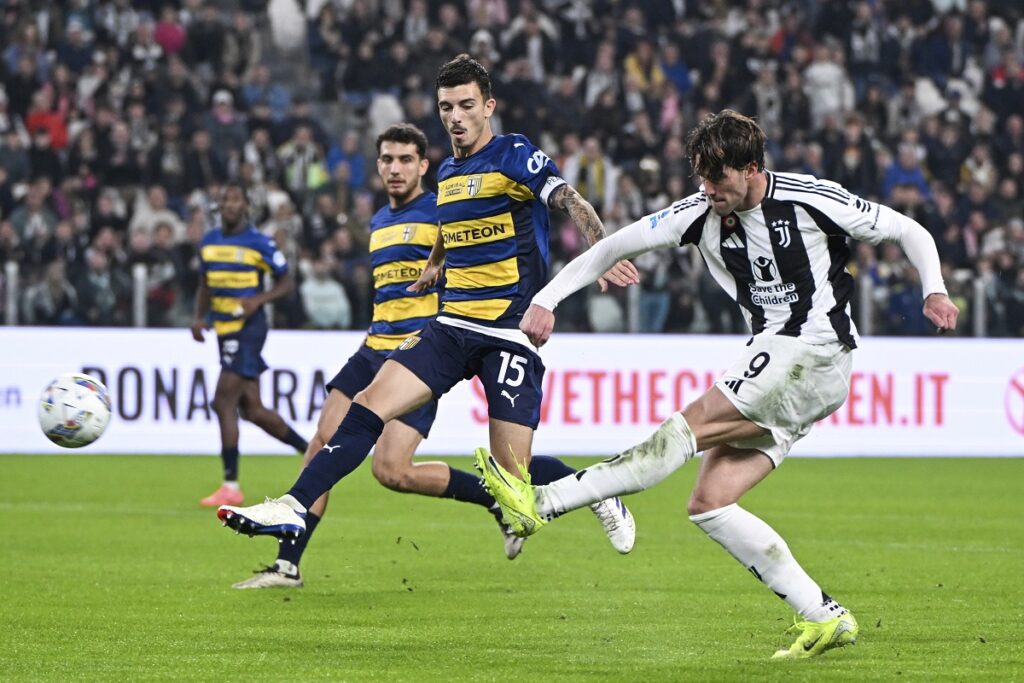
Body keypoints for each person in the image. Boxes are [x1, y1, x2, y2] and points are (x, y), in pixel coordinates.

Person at [478, 110, 960, 659]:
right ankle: (824, 615)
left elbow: (907, 229)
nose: (709, 191)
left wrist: (935, 290)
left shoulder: (811, 198)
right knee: (710, 502)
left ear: (752, 168)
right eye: (701, 178)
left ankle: (543, 502)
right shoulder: (700, 213)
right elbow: (614, 248)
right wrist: (547, 298)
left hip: (812, 349)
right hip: (781, 362)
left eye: (719, 179)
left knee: (680, 432)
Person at [217, 57, 639, 562]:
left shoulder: (513, 154)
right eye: (446, 107)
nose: (455, 117)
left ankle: (597, 489)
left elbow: (571, 201)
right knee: (368, 403)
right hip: (451, 325)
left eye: (466, 105)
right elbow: (449, 223)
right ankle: (294, 503)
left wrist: (604, 251)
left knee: (514, 484)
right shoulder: (448, 170)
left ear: (488, 107)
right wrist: (436, 263)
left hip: (508, 331)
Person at [192, 183, 309, 507]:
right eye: (225, 199)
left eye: (236, 199)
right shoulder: (209, 242)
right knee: (253, 410)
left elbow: (286, 282)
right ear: (219, 206)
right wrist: (199, 318)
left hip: (249, 328)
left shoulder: (260, 243)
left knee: (222, 400)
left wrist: (259, 299)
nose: (230, 204)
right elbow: (205, 283)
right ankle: (312, 452)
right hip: (224, 329)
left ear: (245, 206)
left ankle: (230, 485)